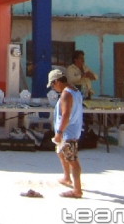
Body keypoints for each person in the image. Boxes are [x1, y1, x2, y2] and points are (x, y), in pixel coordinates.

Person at [49, 68, 84, 199]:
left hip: (67, 132)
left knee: (72, 160)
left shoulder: (66, 94)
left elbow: (65, 115)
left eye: (52, 85)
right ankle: (66, 177)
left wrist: (59, 133)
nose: (53, 88)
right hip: (71, 131)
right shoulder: (75, 91)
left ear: (57, 81)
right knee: (60, 152)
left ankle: (77, 190)